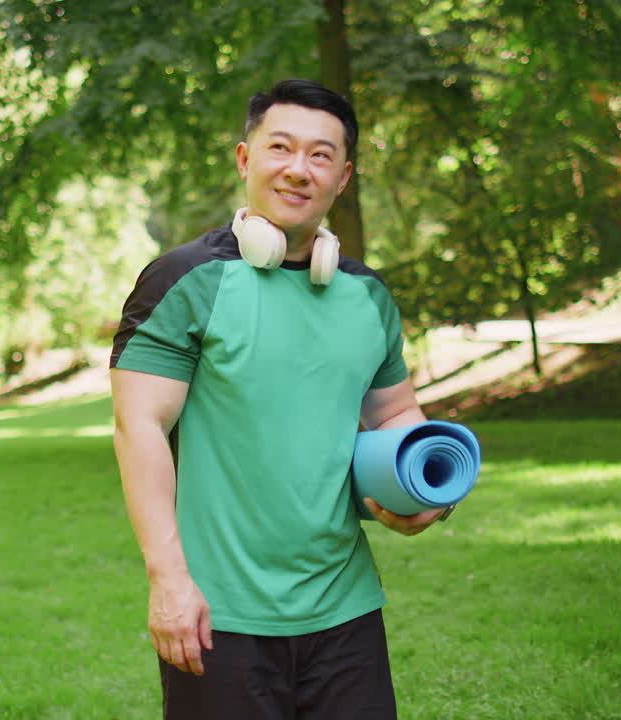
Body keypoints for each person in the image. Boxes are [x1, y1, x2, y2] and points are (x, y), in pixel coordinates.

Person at [110, 79, 454, 719]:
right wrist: (168, 580)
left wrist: (421, 493)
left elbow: (396, 413)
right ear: (246, 159)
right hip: (219, 616)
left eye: (321, 156)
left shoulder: (367, 295)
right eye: (281, 148)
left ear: (343, 176)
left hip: (347, 610)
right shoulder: (183, 281)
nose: (299, 170)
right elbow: (139, 428)